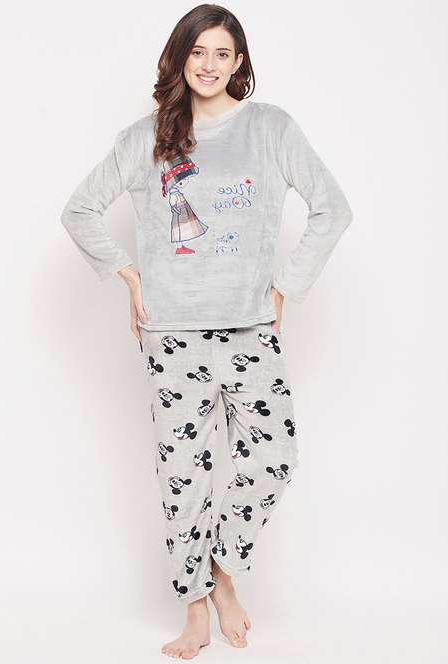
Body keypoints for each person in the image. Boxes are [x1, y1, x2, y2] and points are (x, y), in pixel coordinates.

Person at [60, 3, 353, 659]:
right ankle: (194, 609)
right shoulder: (145, 138)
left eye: (223, 53)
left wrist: (286, 286)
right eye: (198, 52)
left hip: (249, 329)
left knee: (274, 456)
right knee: (183, 475)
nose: (209, 65)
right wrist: (128, 276)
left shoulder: (270, 128)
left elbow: (332, 209)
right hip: (172, 334)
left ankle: (223, 573)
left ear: (239, 62)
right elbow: (79, 211)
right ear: (179, 58)